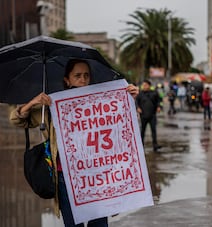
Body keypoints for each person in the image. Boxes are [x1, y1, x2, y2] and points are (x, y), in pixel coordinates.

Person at [10, 59, 139, 227]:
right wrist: (33, 103)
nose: (83, 79)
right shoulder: (52, 105)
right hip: (66, 178)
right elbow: (17, 120)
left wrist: (129, 99)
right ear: (67, 79)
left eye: (86, 75)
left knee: (99, 224)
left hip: (96, 177)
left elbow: (123, 126)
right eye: (77, 75)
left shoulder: (100, 102)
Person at [136, 79, 162, 151]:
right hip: (143, 115)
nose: (144, 86)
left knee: (153, 130)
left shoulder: (154, 93)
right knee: (142, 131)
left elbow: (159, 101)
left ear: (149, 86)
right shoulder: (140, 94)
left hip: (152, 115)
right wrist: (137, 107)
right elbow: (136, 102)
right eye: (143, 85)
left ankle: (155, 144)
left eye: (145, 85)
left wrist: (159, 107)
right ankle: (141, 145)